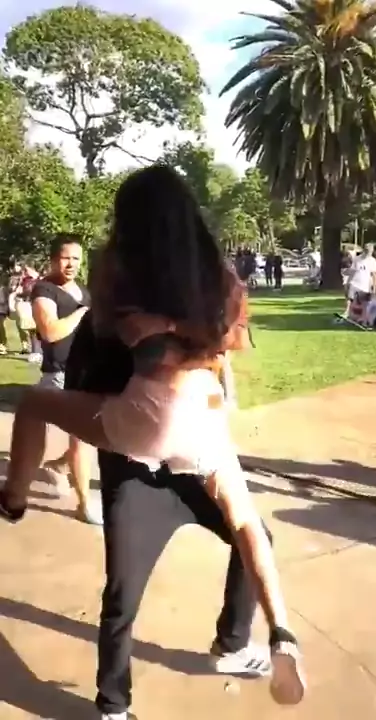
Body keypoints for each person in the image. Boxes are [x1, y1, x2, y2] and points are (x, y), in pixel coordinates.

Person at [0, 166, 305, 713]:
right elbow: (229, 339)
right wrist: (198, 339)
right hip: (192, 430)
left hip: (139, 430)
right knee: (244, 531)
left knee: (124, 590)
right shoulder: (215, 276)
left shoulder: (120, 270)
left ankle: (15, 500)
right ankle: (276, 632)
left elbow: (124, 339)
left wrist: (163, 333)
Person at [30, 234, 97, 524]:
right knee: (84, 440)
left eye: (76, 259)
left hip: (87, 372)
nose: (71, 264)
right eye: (65, 258)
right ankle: (84, 504)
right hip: (60, 373)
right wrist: (82, 313)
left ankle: (58, 466)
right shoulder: (44, 290)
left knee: (99, 434)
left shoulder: (83, 290)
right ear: (53, 259)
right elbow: (50, 332)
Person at [343, 243, 376, 325]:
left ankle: (364, 320)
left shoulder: (372, 261)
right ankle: (347, 312)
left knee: (364, 303)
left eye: (369, 251)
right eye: (366, 251)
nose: (368, 253)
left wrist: (374, 288)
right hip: (355, 282)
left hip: (365, 284)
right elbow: (353, 271)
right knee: (350, 298)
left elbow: (374, 276)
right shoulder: (357, 259)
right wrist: (348, 281)